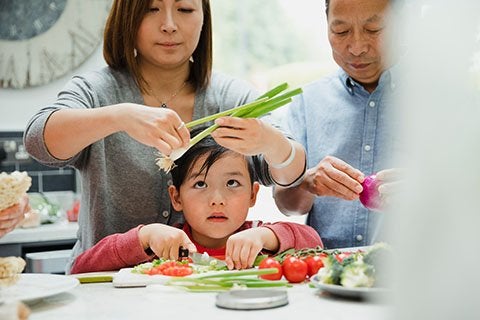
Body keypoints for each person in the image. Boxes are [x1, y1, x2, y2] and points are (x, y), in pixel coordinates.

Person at [23, 0, 306, 272]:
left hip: (194, 291)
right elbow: (38, 141)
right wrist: (119, 117)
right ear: (128, 17)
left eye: (184, 9)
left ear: (203, 18)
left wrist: (270, 141)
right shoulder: (98, 91)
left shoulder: (232, 98)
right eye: (151, 9)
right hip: (105, 289)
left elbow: (291, 171)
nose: (169, 25)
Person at [70, 129, 321, 273]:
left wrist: (267, 237)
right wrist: (145, 235)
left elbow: (314, 242)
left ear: (253, 195)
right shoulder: (165, 246)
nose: (217, 200)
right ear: (176, 197)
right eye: (200, 184)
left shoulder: (260, 241)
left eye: (232, 183)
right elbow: (81, 267)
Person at [274, 0, 402, 249]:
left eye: (374, 29)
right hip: (327, 275)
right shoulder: (307, 100)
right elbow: (286, 205)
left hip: (413, 276)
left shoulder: (441, 102)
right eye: (341, 31)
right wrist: (307, 182)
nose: (356, 48)